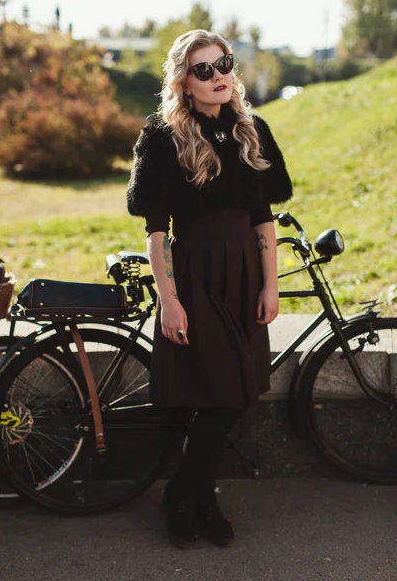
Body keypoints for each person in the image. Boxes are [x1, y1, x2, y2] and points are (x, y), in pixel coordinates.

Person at [126, 29, 292, 549]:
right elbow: (156, 233)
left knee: (237, 391)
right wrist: (169, 300)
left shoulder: (252, 130)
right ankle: (190, 495)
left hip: (245, 275)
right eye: (204, 69)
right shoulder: (162, 136)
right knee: (219, 393)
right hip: (194, 276)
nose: (219, 76)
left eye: (224, 64)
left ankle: (190, 492)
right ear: (183, 80)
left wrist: (271, 286)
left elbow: (264, 221)